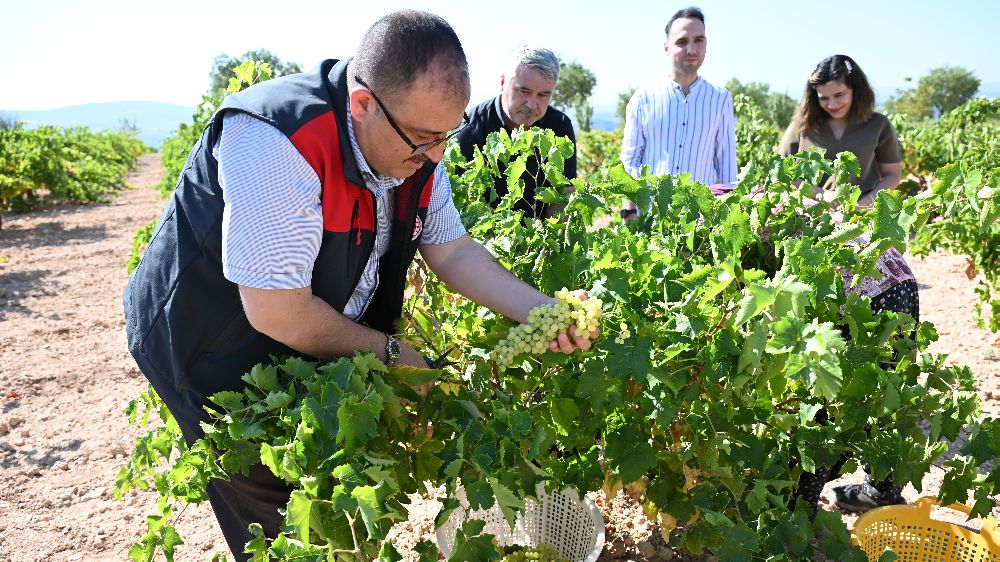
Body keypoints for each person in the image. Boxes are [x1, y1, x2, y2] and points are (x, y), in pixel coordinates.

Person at [122, 11, 597, 560]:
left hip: (300, 323)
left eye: (445, 136)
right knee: (279, 508)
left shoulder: (414, 141)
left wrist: (544, 309)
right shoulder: (278, 142)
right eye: (423, 139)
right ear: (364, 104)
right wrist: (393, 353)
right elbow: (278, 312)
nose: (436, 156)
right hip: (205, 344)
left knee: (332, 496)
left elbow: (454, 250)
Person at [779, 54, 914, 514]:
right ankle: (802, 481)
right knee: (820, 347)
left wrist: (865, 202)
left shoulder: (876, 124)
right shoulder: (801, 129)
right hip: (815, 242)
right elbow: (779, 181)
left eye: (839, 95)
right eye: (823, 97)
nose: (832, 103)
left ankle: (879, 480)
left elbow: (894, 175)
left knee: (882, 342)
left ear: (855, 90)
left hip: (864, 235)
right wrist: (812, 200)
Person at [619, 6, 737, 218]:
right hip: (650, 222)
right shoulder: (643, 98)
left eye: (698, 40)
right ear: (666, 47)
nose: (691, 49)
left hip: (701, 227)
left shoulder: (720, 99)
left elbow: (726, 166)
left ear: (706, 45)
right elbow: (629, 163)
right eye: (682, 42)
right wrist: (630, 214)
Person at [454, 45, 576, 219]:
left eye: (543, 95)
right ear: (503, 82)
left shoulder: (560, 126)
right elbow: (460, 206)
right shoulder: (469, 131)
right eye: (523, 91)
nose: (531, 104)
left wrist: (550, 237)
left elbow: (565, 192)